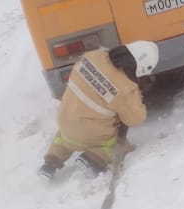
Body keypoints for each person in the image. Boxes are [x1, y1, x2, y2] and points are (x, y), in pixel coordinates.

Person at [38, 41, 159, 179]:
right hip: (88, 134)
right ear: (142, 68)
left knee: (65, 136)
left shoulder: (92, 56)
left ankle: (51, 162)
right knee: (121, 145)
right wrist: (138, 92)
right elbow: (135, 119)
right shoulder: (127, 89)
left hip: (64, 122)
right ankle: (94, 159)